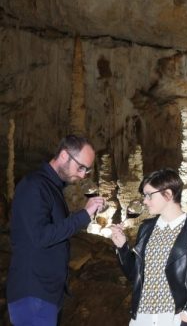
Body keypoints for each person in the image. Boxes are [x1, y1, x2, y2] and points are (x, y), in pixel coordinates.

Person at [6, 134, 106, 326]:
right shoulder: (34, 185)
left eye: (87, 169)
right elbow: (40, 236)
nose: (84, 174)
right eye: (81, 167)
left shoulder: (51, 188)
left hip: (47, 294)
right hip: (33, 294)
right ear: (63, 156)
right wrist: (84, 215)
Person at [110, 168, 187, 325]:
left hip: (174, 317)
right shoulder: (146, 228)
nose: (145, 201)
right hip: (142, 317)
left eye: (149, 195)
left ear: (168, 194)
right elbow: (135, 276)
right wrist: (122, 247)